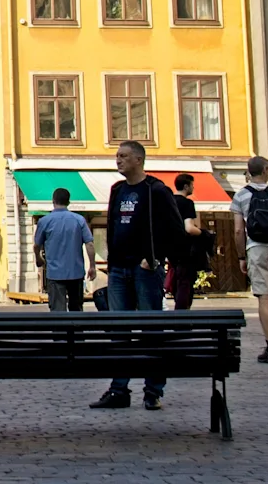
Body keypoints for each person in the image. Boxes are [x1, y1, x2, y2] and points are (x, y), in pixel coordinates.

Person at [90, 141, 186, 412]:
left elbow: (176, 231)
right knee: (119, 331)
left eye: (124, 156)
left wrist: (155, 257)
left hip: (145, 270)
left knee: (150, 330)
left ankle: (153, 391)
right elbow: (112, 225)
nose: (118, 161)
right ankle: (119, 389)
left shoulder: (155, 190)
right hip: (119, 269)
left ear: (139, 160)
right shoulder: (117, 190)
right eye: (117, 156)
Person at [231, 155, 268, 364]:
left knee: (265, 298)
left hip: (257, 248)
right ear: (265, 170)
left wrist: (241, 256)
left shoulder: (241, 195)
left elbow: (238, 230)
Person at [33, 188, 97, 312]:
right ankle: (76, 331)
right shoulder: (79, 220)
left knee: (57, 311)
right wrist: (92, 266)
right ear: (68, 202)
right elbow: (89, 244)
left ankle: (59, 331)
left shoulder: (45, 221)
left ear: (53, 201)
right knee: (76, 309)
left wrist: (39, 258)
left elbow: (36, 245)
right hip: (76, 273)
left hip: (55, 274)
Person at [167, 173, 203, 311]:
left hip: (170, 249)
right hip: (185, 250)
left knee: (176, 281)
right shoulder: (187, 203)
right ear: (186, 186)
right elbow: (189, 228)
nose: (193, 188)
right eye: (192, 185)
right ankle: (182, 315)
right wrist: (203, 233)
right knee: (185, 283)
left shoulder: (168, 201)